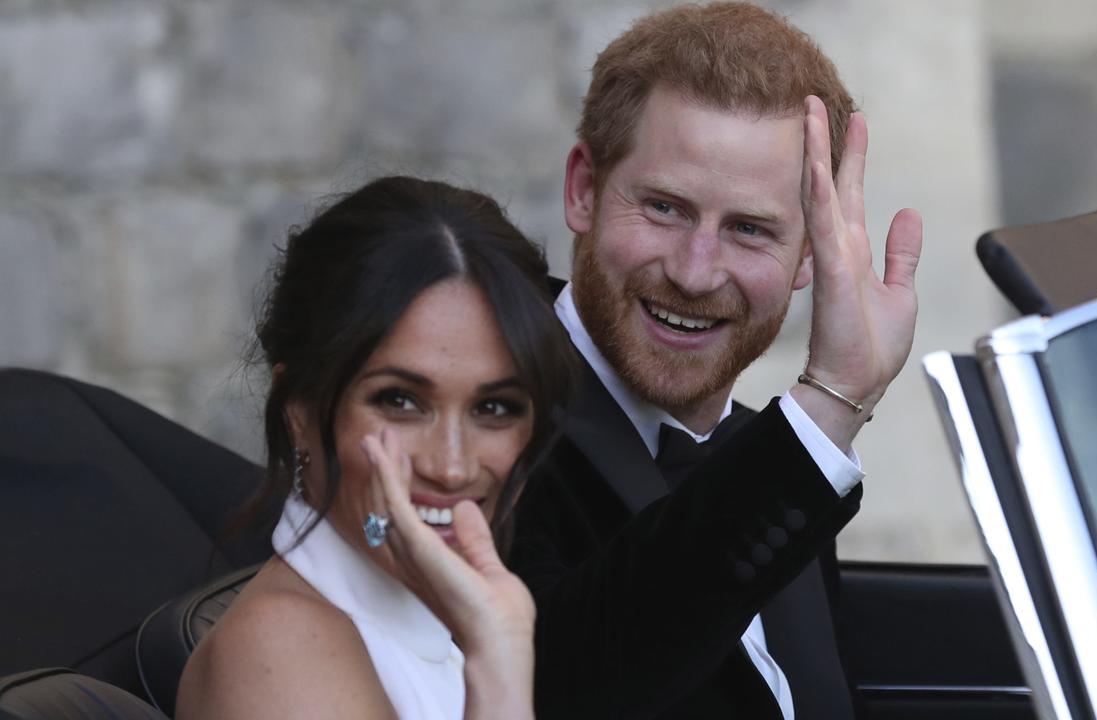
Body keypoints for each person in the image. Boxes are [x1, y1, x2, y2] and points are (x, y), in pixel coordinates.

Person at [509, 3, 924, 719]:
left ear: (807, 259)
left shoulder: (774, 457)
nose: (696, 273)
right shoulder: (485, 420)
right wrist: (831, 403)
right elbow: (564, 686)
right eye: (665, 208)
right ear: (584, 189)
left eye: (750, 230)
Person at [175, 176, 577, 720]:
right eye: (400, 401)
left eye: (495, 408)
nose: (451, 466)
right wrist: (500, 677)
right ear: (298, 409)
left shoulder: (430, 619)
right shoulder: (282, 650)